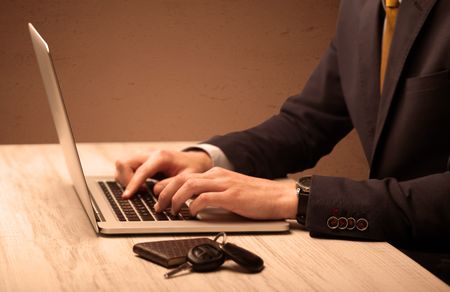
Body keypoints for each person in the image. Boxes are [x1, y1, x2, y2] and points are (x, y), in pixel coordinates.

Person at [115, 0, 449, 245]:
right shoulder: (360, 7)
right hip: (390, 255)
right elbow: (306, 124)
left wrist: (296, 198)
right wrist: (204, 158)